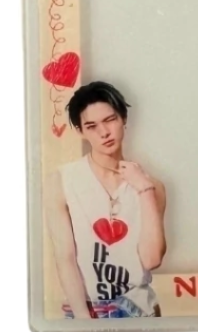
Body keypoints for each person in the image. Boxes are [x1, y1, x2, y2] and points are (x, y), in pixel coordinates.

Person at [43, 81, 167, 318]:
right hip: (85, 310)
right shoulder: (61, 181)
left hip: (139, 311)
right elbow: (65, 258)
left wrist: (144, 189)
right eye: (91, 126)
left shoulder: (152, 187)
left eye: (110, 120)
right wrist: (84, 321)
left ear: (123, 119)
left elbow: (151, 259)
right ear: (80, 131)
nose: (104, 132)